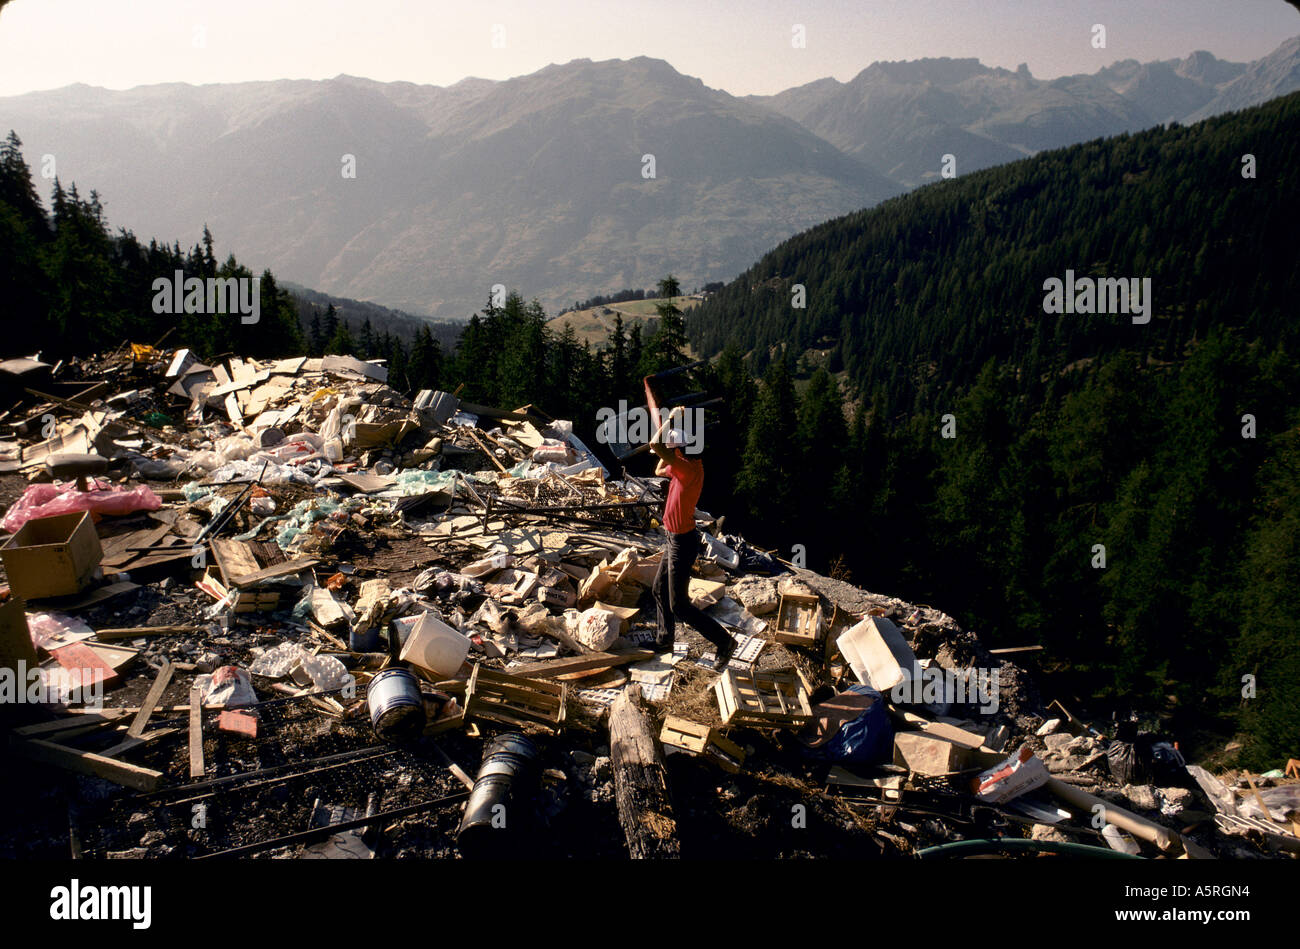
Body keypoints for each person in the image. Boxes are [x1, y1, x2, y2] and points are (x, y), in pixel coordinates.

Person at [648, 406, 736, 669]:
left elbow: (654, 443)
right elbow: (657, 469)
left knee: (680, 607)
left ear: (680, 451)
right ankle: (665, 640)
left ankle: (724, 642)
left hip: (682, 543)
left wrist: (670, 420)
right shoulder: (686, 466)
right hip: (674, 539)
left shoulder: (687, 470)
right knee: (658, 589)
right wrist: (670, 448)